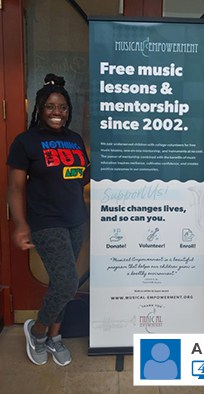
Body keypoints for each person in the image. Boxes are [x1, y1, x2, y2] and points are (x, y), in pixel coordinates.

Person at [7, 73, 90, 366]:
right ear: (40, 108)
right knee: (68, 281)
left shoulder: (75, 139)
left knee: (62, 282)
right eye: (51, 107)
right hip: (45, 221)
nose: (57, 113)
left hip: (76, 220)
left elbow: (82, 177)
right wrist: (21, 224)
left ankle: (56, 337)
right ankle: (39, 331)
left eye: (63, 108)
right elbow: (16, 187)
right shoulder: (26, 142)